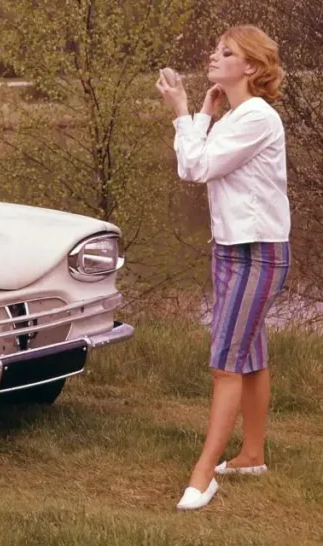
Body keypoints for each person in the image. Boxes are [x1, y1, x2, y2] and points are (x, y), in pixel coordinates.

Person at [155, 25, 290, 511]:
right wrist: (205, 112)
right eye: (215, 48)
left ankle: (203, 472)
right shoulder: (234, 116)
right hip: (232, 249)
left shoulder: (256, 117)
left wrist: (183, 112)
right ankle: (251, 454)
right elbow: (197, 163)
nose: (213, 56)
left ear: (250, 68)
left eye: (225, 52)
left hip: (258, 251)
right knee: (249, 357)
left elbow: (196, 167)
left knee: (225, 363)